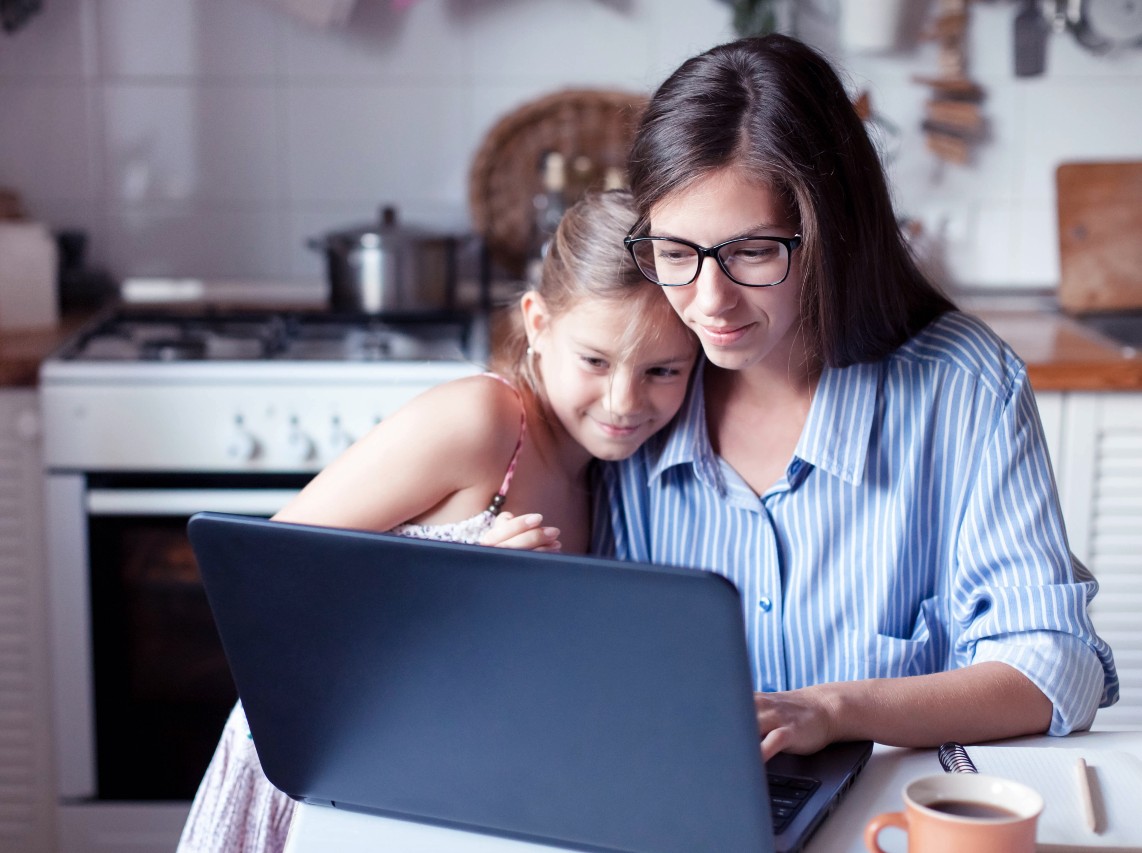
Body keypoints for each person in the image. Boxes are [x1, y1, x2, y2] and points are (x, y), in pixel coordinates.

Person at [596, 33, 1118, 762]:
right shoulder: (632, 388)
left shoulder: (962, 389)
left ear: (831, 232)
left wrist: (835, 708)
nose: (707, 300)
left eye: (751, 252)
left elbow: (1054, 666)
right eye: (676, 253)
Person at [175, 188, 699, 853]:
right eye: (594, 361)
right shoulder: (484, 421)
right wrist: (466, 588)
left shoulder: (611, 476)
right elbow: (259, 576)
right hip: (316, 769)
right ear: (537, 323)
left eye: (662, 370)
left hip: (427, 780)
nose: (625, 401)